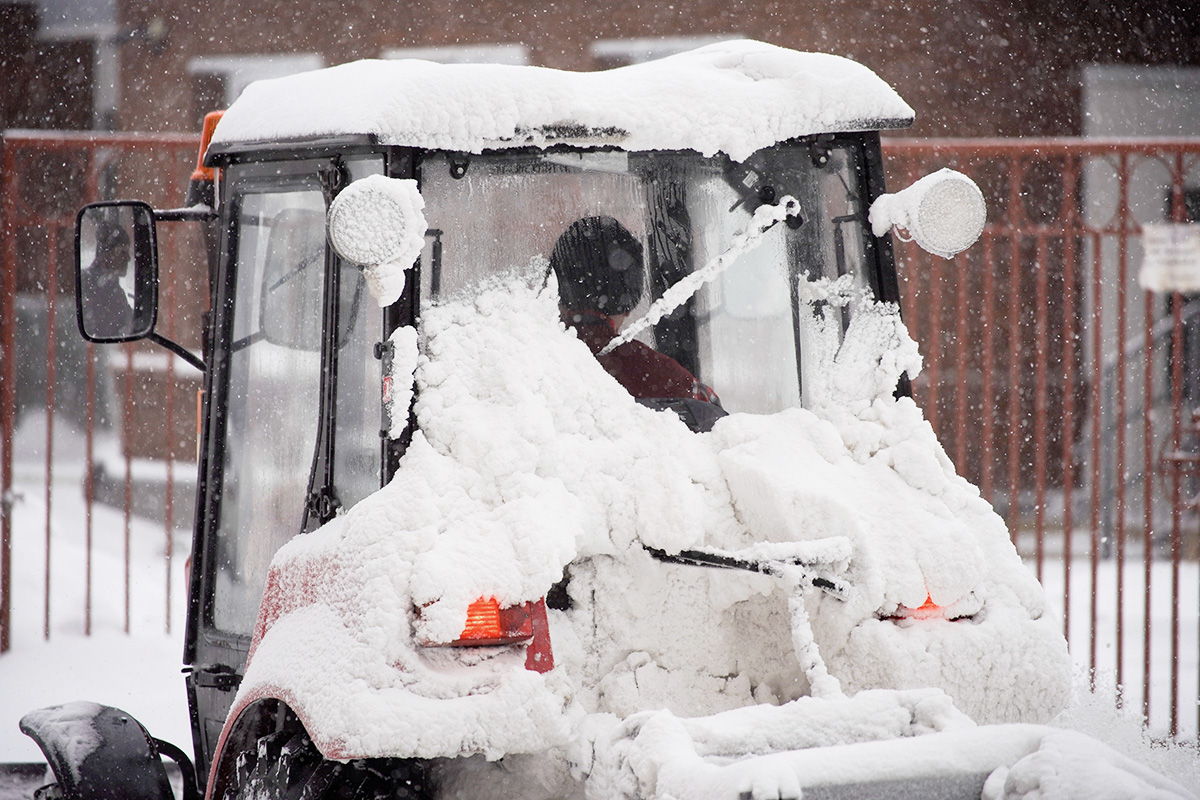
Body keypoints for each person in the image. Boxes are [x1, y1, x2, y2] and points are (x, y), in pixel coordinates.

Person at [550, 215, 720, 407]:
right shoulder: (665, 378)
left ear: (555, 289)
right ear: (628, 304)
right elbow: (716, 422)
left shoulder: (533, 364)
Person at [79, 223, 135, 338]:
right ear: (104, 256)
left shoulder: (115, 289)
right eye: (121, 252)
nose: (128, 258)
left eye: (127, 252)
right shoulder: (86, 286)